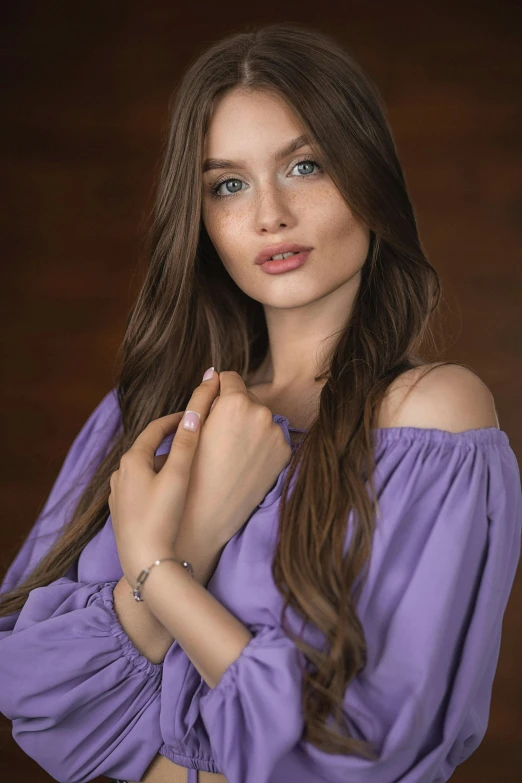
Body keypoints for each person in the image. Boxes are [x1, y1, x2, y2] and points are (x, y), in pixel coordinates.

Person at [0, 21, 520, 783]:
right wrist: (202, 529)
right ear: (203, 216)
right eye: (229, 185)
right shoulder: (139, 411)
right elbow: (31, 691)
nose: (269, 215)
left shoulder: (430, 417)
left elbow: (359, 750)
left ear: (368, 177)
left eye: (305, 166)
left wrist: (156, 565)